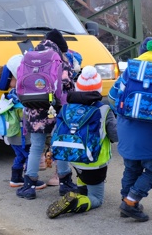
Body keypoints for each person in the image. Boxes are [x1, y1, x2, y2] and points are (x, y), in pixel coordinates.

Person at [113, 37, 152, 222]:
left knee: (131, 168)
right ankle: (131, 202)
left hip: (126, 127)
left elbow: (113, 96)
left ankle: (126, 201)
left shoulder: (131, 70)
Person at [46, 65, 118, 218]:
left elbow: (56, 132)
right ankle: (76, 203)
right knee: (97, 199)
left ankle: (79, 192)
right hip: (95, 161)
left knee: (83, 180)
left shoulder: (66, 108)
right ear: (98, 88)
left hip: (73, 157)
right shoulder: (103, 110)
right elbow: (116, 136)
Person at [16, 29, 78, 200]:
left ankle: (29, 185)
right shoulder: (60, 60)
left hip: (33, 108)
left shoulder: (29, 56)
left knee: (36, 147)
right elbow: (68, 85)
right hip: (56, 109)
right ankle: (65, 182)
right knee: (61, 145)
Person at [0, 55, 46, 189]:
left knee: (20, 156)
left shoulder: (9, 95)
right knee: (30, 156)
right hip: (21, 136)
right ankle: (30, 180)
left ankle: (16, 178)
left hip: (13, 136)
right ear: (9, 79)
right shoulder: (18, 95)